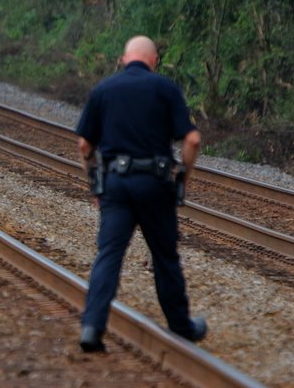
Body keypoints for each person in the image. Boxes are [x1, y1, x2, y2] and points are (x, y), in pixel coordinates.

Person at [74, 35, 205, 352]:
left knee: (109, 255)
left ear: (123, 58)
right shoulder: (166, 89)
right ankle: (181, 326)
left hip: (116, 185)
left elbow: (84, 145)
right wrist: (184, 177)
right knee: (164, 257)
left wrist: (96, 185)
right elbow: (192, 140)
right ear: (154, 60)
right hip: (155, 184)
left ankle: (92, 328)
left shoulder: (104, 90)